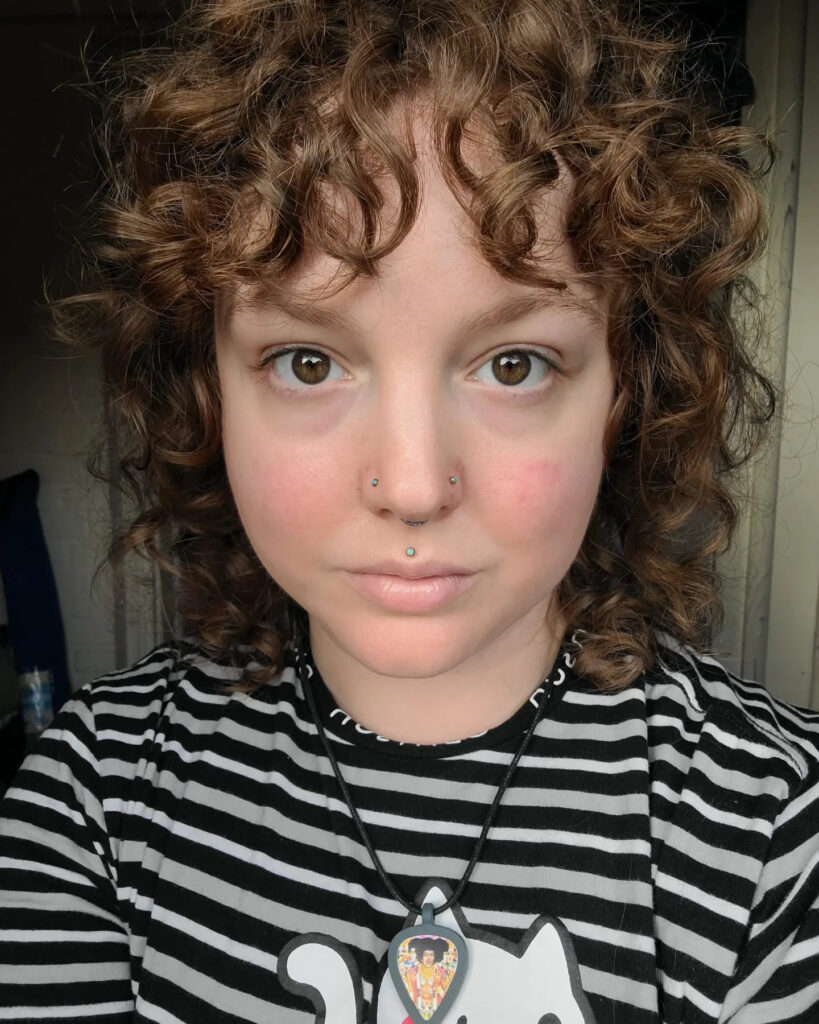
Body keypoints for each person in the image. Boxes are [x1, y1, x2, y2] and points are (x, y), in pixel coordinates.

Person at [0, 0, 817, 1022]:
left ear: (626, 394)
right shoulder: (91, 801)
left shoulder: (777, 834)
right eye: (307, 362)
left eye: (514, 364)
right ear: (208, 393)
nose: (416, 484)